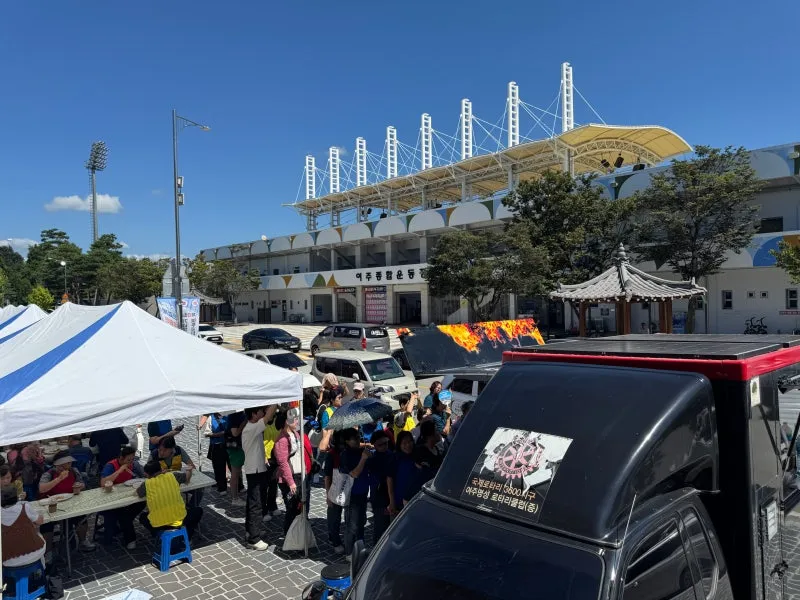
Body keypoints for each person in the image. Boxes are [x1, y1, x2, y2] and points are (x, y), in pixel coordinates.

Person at [38, 451, 95, 552]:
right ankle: (48, 551)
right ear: (58, 465)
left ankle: (83, 541)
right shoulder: (49, 474)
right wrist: (59, 479)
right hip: (51, 505)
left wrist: (79, 486)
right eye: (65, 464)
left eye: (69, 463)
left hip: (71, 503)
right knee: (46, 525)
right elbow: (42, 489)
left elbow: (81, 483)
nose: (68, 466)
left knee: (81, 517)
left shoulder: (74, 471)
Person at [241, 405, 278, 551]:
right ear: (254, 413)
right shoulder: (251, 427)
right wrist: (275, 401)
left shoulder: (252, 427)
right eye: (261, 411)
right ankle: (254, 539)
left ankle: (251, 530)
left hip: (257, 468)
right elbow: (268, 417)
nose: (263, 413)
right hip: (254, 470)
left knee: (254, 501)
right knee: (256, 503)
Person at [137, 460, 202, 539]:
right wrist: (189, 470)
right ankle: (188, 536)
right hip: (180, 519)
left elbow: (139, 493)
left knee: (143, 517)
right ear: (161, 469)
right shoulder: (173, 476)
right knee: (198, 510)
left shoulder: (146, 483)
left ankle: (158, 534)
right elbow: (187, 478)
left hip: (159, 524)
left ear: (147, 474)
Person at [1, 484, 46, 597]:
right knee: (39, 535)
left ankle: (6, 582)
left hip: (8, 560)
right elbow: (40, 521)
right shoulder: (24, 506)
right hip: (33, 554)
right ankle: (40, 573)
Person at [99, 446, 145, 549]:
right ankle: (127, 537)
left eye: (132, 459)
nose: (131, 462)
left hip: (128, 496)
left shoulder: (134, 465)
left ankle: (123, 526)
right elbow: (103, 483)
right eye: (128, 460)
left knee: (142, 503)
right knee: (122, 514)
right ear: (121, 458)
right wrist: (119, 470)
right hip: (112, 498)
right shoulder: (110, 466)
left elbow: (143, 476)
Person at [273, 409, 305, 536]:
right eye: (294, 419)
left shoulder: (295, 433)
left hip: (298, 474)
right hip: (288, 478)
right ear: (287, 422)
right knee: (291, 509)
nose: (297, 421)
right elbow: (283, 463)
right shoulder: (281, 440)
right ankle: (289, 536)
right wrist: (291, 482)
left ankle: (297, 534)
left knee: (298, 507)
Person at [339, 429, 371, 555]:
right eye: (355, 438)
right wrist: (363, 459)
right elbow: (354, 474)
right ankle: (349, 552)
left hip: (363, 492)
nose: (358, 440)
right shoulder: (345, 455)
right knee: (352, 525)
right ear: (347, 441)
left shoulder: (360, 451)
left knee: (361, 522)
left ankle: (360, 550)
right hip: (352, 494)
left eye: (359, 437)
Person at [404, 421, 444, 505]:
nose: (439, 432)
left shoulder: (437, 449)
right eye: (436, 430)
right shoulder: (420, 451)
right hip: (418, 497)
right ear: (430, 435)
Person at [367, 430, 394, 544]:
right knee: (380, 526)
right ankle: (376, 549)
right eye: (380, 445)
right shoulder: (372, 459)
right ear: (374, 445)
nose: (384, 446)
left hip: (391, 495)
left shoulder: (392, 455)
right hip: (379, 498)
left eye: (386, 443)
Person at [323, 431, 345, 554]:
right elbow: (327, 476)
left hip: (347, 487)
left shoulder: (349, 452)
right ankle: (334, 539)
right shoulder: (331, 454)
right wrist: (328, 495)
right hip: (335, 488)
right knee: (334, 516)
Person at [262, 407, 282, 522]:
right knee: (264, 485)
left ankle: (272, 505)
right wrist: (264, 456)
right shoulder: (262, 423)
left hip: (275, 456)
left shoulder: (276, 421)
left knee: (274, 483)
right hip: (265, 457)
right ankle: (263, 510)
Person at [389, 431, 416, 511]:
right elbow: (389, 480)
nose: (408, 445)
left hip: (416, 499)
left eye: (410, 441)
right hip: (400, 501)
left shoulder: (417, 455)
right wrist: (392, 501)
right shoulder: (395, 458)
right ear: (399, 445)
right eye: (404, 443)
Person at [226, 410, 247, 506]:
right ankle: (235, 498)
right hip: (235, 448)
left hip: (238, 447)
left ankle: (236, 495)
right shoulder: (233, 416)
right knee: (235, 474)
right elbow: (235, 433)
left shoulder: (239, 414)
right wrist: (244, 422)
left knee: (237, 473)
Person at [205, 413, 230, 493]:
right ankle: (222, 488)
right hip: (217, 446)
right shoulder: (211, 418)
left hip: (229, 445)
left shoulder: (228, 416)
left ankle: (239, 486)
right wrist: (219, 434)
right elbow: (207, 433)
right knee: (219, 468)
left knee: (233, 467)